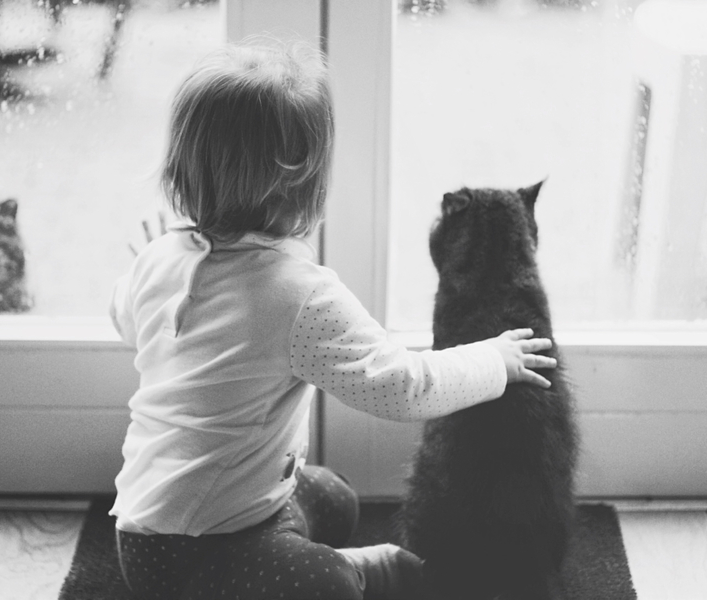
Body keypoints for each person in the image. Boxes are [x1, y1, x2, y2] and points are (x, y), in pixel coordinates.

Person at [109, 39, 557, 600]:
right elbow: (402, 387)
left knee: (336, 496)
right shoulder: (297, 294)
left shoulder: (160, 258)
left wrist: (155, 270)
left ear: (179, 167)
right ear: (306, 185)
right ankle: (356, 569)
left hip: (144, 536)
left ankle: (290, 552)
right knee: (330, 583)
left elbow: (129, 323)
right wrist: (493, 361)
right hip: (198, 551)